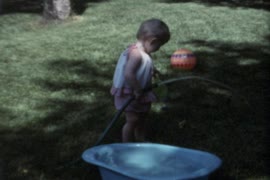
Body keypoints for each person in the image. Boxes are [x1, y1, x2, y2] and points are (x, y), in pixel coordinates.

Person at [110, 18, 170, 142]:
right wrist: (137, 90)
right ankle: (126, 145)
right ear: (153, 41)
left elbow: (145, 63)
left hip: (140, 92)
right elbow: (128, 74)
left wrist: (152, 70)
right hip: (130, 92)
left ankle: (141, 140)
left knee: (142, 118)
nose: (158, 49)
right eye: (159, 46)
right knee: (132, 120)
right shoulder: (136, 54)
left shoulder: (144, 52)